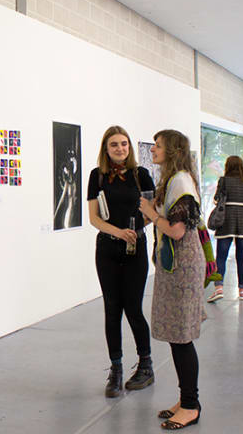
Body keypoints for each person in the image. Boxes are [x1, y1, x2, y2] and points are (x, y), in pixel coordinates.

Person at [138, 129, 205, 430]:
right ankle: (187, 399)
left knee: (182, 338)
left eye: (158, 145)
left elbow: (176, 230)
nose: (153, 149)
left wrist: (149, 212)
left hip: (183, 267)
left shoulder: (180, 182)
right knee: (179, 338)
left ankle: (190, 405)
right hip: (176, 267)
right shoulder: (175, 179)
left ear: (172, 151)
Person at [87, 126, 156, 398]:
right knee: (111, 309)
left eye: (124, 144)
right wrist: (118, 232)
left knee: (134, 309)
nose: (120, 149)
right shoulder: (97, 176)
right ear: (106, 148)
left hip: (135, 248)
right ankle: (116, 369)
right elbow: (94, 218)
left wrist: (138, 229)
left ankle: (146, 365)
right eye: (114, 144)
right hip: (107, 248)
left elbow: (153, 212)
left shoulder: (142, 175)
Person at [207, 156, 243, 302]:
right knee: (242, 257)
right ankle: (242, 291)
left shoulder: (224, 180)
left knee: (221, 256)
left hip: (226, 221)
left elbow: (217, 198)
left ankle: (218, 288)